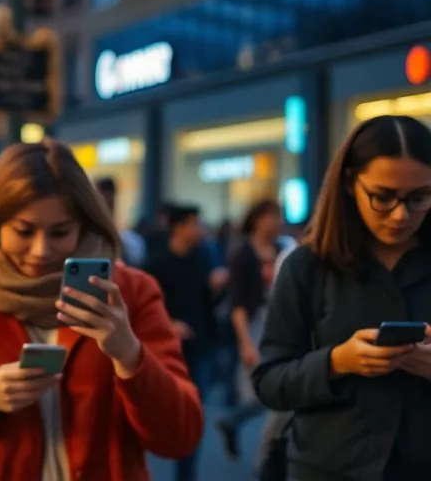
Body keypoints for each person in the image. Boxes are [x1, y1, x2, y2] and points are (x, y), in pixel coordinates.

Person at [0, 140, 203, 479]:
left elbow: (180, 437)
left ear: (84, 224)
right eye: (24, 231)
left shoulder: (130, 293)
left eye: (60, 232)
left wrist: (129, 355)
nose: (41, 250)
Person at [253, 115, 431, 480]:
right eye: (382, 197)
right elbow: (269, 382)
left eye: (419, 198)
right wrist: (336, 362)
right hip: (329, 467)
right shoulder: (307, 266)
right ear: (350, 183)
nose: (401, 214)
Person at [144, 204, 218, 481]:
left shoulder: (203, 257)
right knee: (160, 414)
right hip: (165, 351)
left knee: (193, 414)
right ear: (178, 227)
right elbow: (144, 307)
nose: (198, 230)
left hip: (199, 347)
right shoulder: (156, 263)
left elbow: (207, 302)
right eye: (193, 224)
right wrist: (169, 324)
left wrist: (215, 288)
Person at [216, 199, 285, 460]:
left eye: (277, 216)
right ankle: (235, 424)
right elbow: (238, 305)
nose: (275, 221)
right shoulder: (243, 255)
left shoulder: (282, 249)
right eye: (269, 215)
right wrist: (245, 341)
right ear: (256, 219)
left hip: (279, 321)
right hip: (255, 324)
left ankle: (234, 423)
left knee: (279, 388)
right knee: (264, 392)